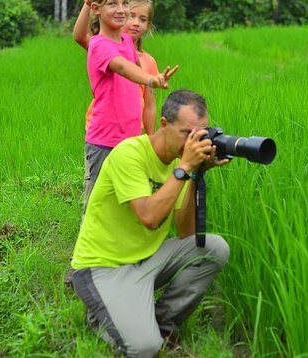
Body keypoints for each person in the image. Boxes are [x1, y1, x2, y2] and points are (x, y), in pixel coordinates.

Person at [70, 89, 231, 357]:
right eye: (186, 133)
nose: (193, 142)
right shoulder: (129, 154)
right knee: (145, 348)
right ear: (164, 125)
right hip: (103, 267)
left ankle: (162, 322)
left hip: (146, 259)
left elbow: (187, 233)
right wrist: (185, 169)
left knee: (213, 248)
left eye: (200, 135)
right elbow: (149, 217)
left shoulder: (181, 165)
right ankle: (100, 318)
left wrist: (195, 175)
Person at [80, 0, 177, 209]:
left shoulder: (125, 43)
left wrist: (149, 137)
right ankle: (89, 243)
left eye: (126, 4)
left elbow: (137, 80)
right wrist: (151, 80)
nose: (124, 11)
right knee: (97, 201)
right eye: (114, 4)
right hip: (105, 140)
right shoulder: (99, 44)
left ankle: (120, 242)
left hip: (130, 137)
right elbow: (123, 68)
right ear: (97, 9)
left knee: (125, 197)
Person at [73, 0, 173, 136]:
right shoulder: (102, 46)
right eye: (132, 15)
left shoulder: (148, 60)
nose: (135, 23)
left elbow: (149, 105)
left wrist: (149, 139)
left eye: (143, 19)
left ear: (148, 25)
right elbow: (80, 36)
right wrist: (89, 0)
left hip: (131, 131)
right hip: (105, 132)